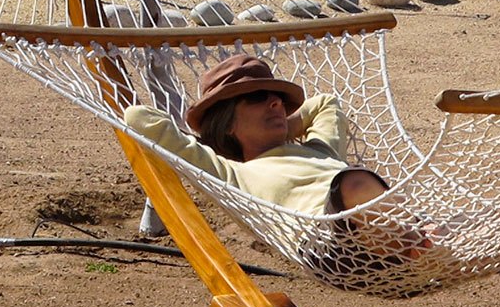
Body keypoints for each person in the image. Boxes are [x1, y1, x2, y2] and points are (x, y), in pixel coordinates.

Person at [124, 54, 407, 234]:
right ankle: (416, 238)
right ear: (229, 123)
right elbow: (136, 116)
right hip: (327, 240)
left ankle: (420, 239)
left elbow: (325, 103)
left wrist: (279, 130)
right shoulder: (230, 174)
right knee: (355, 183)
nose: (275, 102)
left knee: (360, 185)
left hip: (375, 222)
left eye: (278, 98)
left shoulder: (321, 150)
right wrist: (217, 142)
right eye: (258, 97)